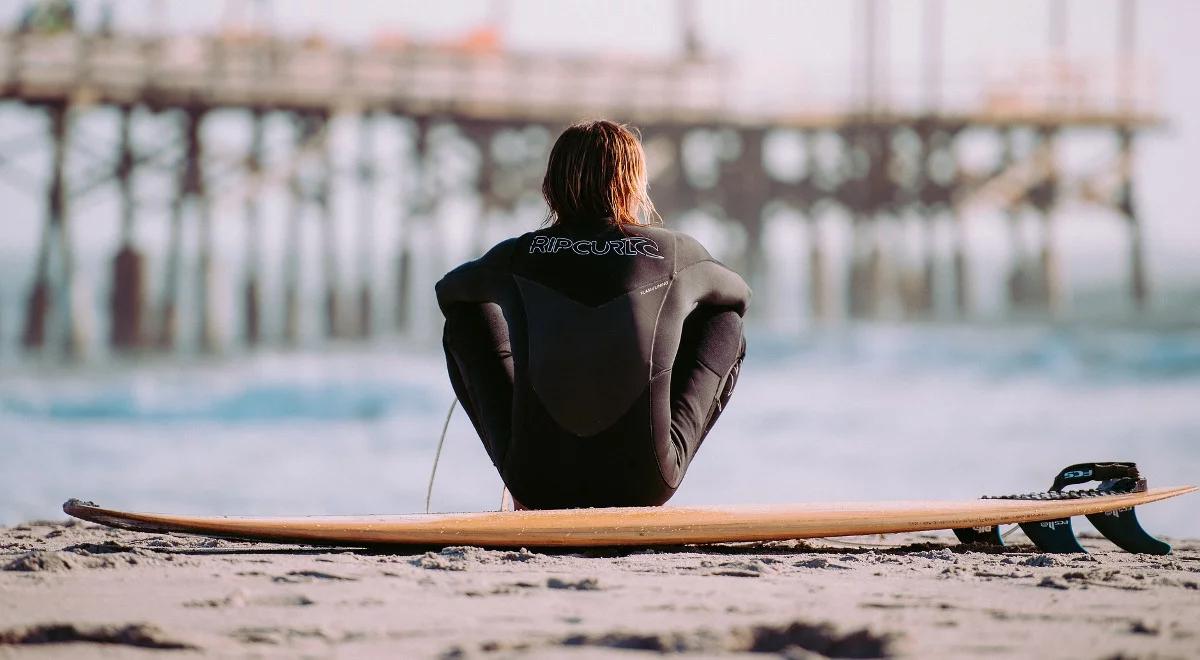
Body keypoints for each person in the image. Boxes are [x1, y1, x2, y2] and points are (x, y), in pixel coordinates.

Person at [435, 120, 749, 510]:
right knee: (725, 321)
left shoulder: (520, 255)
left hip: (537, 481)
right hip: (643, 483)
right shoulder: (672, 253)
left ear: (551, 187)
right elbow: (738, 296)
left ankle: (520, 474)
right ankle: (658, 447)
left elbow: (449, 292)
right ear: (633, 185)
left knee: (464, 319)